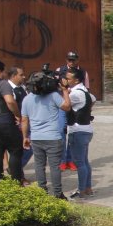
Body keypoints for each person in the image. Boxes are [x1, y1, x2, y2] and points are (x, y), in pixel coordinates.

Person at [21, 71, 72, 199]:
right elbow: (67, 107)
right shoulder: (54, 96)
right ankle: (57, 193)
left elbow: (24, 120)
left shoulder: (27, 99)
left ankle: (42, 191)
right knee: (54, 167)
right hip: (53, 138)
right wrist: (65, 90)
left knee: (39, 165)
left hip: (36, 138)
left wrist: (25, 137)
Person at [65, 68, 96, 196]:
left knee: (79, 162)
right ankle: (88, 188)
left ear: (76, 80)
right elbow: (93, 99)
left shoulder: (75, 94)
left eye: (68, 78)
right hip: (86, 129)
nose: (66, 80)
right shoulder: (84, 90)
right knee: (84, 161)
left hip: (78, 131)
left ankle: (81, 190)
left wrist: (63, 92)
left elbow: (64, 105)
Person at [55, 51, 82, 171]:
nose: (71, 62)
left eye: (73, 60)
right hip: (62, 105)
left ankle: (71, 160)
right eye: (69, 60)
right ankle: (62, 160)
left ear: (77, 60)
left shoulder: (82, 72)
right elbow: (55, 87)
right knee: (61, 130)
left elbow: (86, 89)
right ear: (66, 60)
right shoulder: (59, 70)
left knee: (72, 132)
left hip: (75, 106)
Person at [9, 67, 32, 173]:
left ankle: (16, 169)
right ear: (14, 76)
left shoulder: (22, 87)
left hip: (26, 122)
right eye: (21, 75)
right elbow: (10, 105)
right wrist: (17, 116)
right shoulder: (8, 89)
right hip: (16, 123)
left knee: (28, 147)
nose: (24, 77)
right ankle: (16, 171)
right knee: (21, 149)